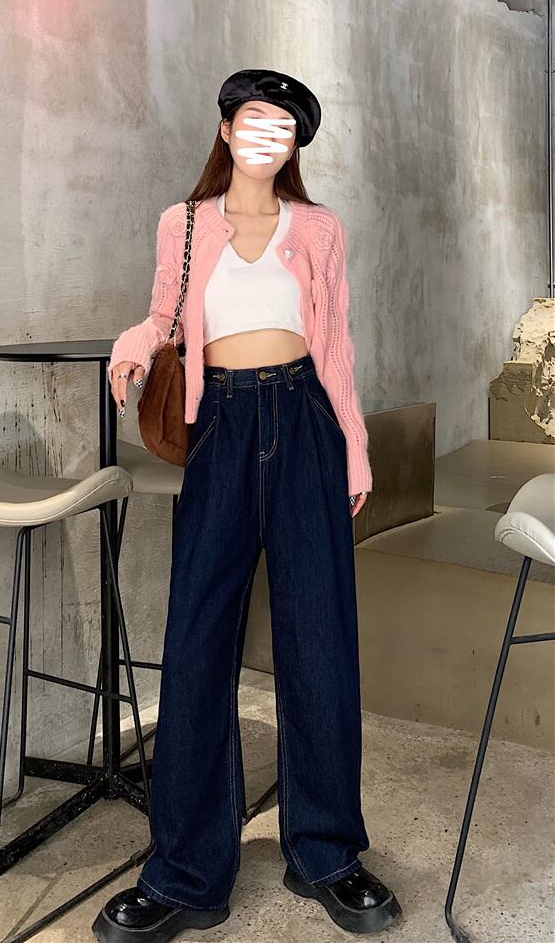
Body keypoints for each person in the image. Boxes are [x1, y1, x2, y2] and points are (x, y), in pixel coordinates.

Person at [92, 69, 402, 943]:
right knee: (196, 644)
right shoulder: (184, 223)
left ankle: (327, 855)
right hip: (222, 428)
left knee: (319, 641)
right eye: (253, 121)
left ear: (294, 144)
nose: (266, 137)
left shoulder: (321, 228)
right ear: (227, 129)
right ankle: (187, 874)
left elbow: (335, 346)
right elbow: (165, 315)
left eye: (284, 127)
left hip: (305, 421)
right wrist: (135, 340)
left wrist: (354, 447)